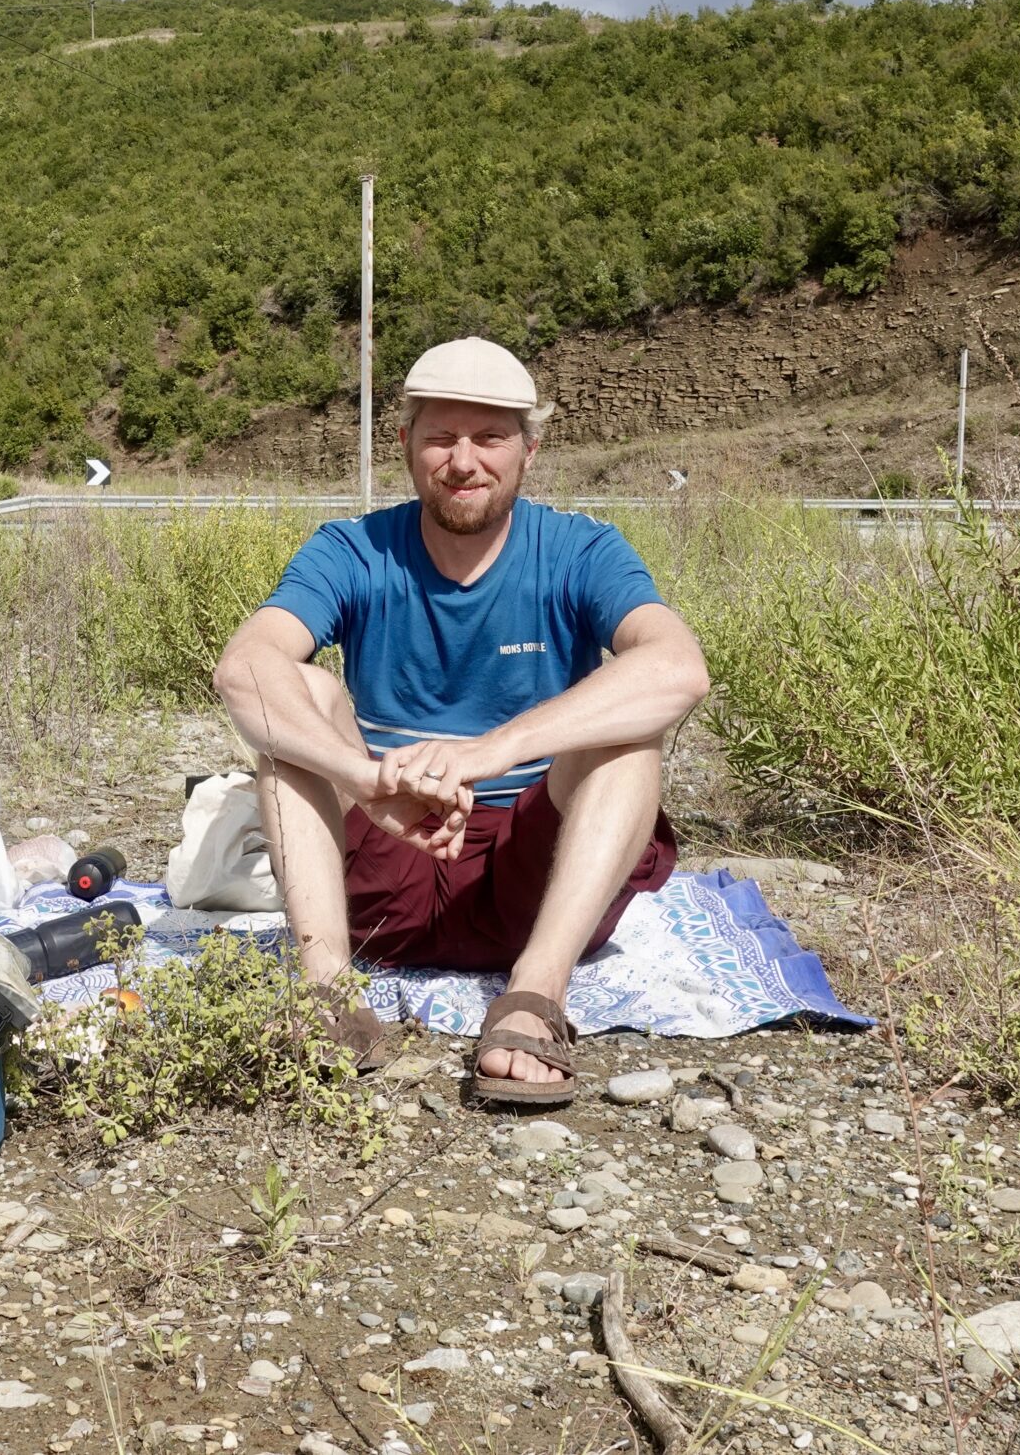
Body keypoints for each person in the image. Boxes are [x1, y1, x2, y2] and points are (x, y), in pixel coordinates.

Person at [213, 337, 710, 1106]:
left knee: (630, 723)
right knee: (298, 694)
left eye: (490, 437)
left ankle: (536, 992)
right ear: (406, 444)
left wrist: (492, 750)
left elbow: (679, 667)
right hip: (387, 865)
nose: (464, 460)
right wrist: (366, 777)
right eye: (442, 436)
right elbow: (243, 668)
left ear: (530, 448)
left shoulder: (580, 550)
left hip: (533, 871)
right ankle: (326, 988)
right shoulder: (351, 549)